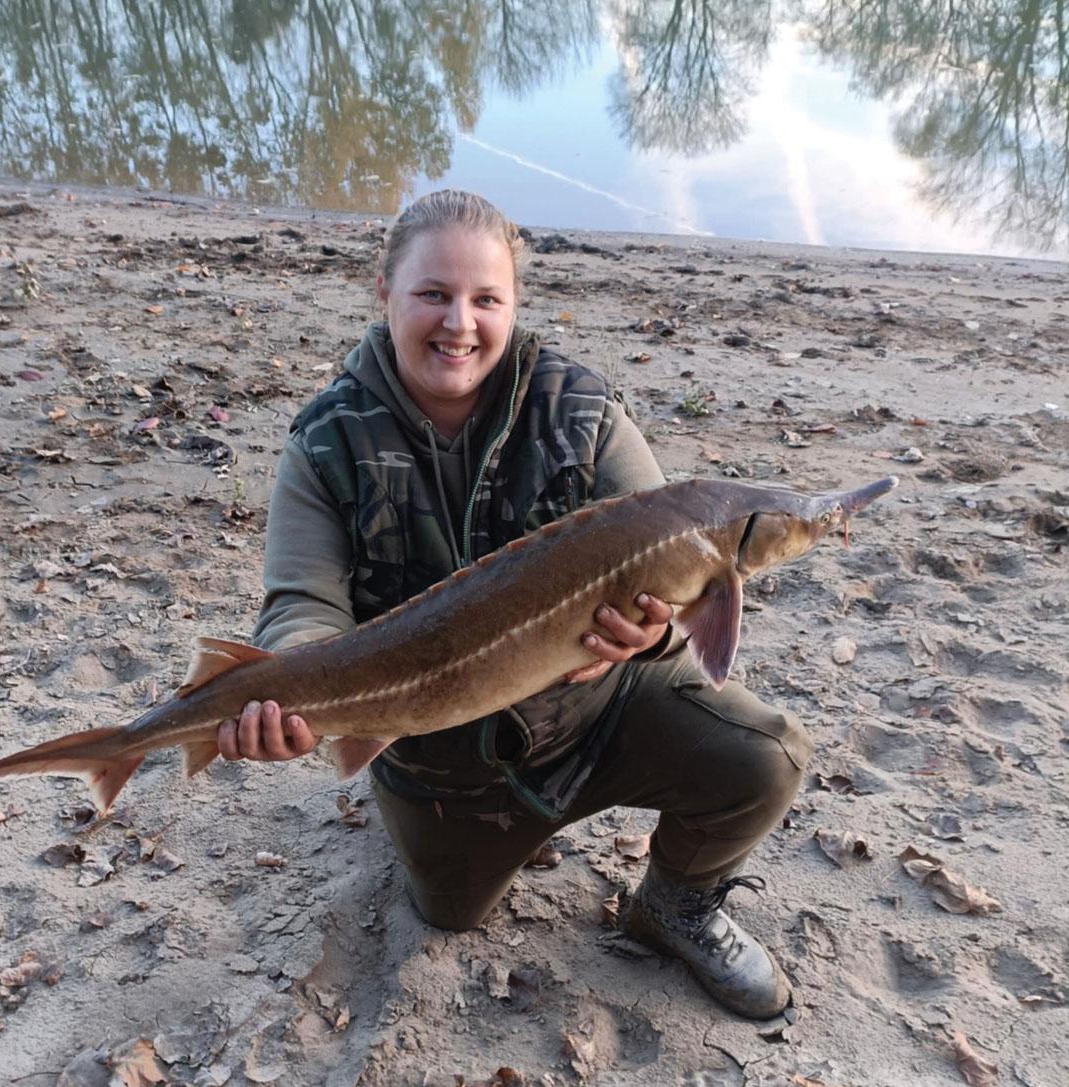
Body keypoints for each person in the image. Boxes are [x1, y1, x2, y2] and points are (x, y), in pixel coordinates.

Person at [217, 190, 813, 1020]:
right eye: (434, 294)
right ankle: (462, 824)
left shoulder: (583, 411)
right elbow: (301, 608)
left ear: (513, 304)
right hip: (440, 753)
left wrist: (642, 638)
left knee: (764, 758)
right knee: (451, 912)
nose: (459, 323)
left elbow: (668, 570)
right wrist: (287, 695)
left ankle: (674, 905)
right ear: (385, 292)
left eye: (486, 299)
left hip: (592, 713)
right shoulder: (326, 445)